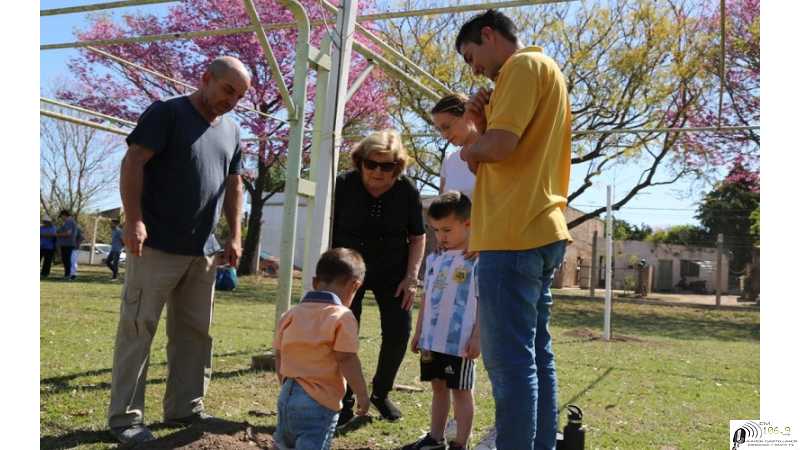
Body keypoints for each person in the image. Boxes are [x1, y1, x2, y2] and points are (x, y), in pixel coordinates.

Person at [107, 56, 249, 445]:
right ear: (206, 79)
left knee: (195, 333)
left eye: (240, 95)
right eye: (228, 90)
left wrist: (234, 234)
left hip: (203, 252)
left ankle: (186, 407)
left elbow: (234, 185)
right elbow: (133, 161)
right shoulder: (166, 113)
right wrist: (133, 219)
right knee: (138, 329)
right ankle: (125, 418)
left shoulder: (233, 131)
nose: (233, 100)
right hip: (155, 245)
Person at [455, 10, 573, 450]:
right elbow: (513, 144)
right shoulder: (543, 70)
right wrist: (483, 125)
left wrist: (471, 146)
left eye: (471, 56)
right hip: (540, 227)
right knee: (536, 357)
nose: (474, 69)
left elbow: (500, 148)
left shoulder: (523, 66)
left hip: (513, 233)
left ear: (488, 35)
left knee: (509, 364)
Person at [332, 129, 427, 424]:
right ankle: (345, 398)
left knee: (399, 331)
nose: (377, 172)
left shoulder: (406, 190)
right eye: (371, 164)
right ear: (360, 161)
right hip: (348, 273)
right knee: (344, 333)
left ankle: (381, 393)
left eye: (387, 166)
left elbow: (417, 237)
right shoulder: (343, 185)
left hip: (393, 272)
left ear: (397, 167)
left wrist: (411, 277)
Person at [274, 248, 371, 450]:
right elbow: (346, 359)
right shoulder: (342, 317)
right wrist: (361, 394)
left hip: (286, 397)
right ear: (355, 286)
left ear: (315, 282)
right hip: (318, 403)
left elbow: (279, 354)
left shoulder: (291, 314)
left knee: (283, 444)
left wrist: (285, 383)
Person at [404, 192, 479, 450]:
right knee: (437, 388)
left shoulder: (477, 259)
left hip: (459, 343)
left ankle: (461, 443)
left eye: (447, 229)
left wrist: (477, 336)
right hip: (431, 339)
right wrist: (418, 332)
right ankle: (435, 438)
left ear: (468, 224)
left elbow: (484, 302)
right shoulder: (434, 259)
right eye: (435, 230)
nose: (441, 236)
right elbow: (427, 298)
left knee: (461, 391)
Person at [431, 94, 478, 199]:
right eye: (439, 130)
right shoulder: (448, 160)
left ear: (467, 115)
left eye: (446, 127)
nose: (444, 135)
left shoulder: (493, 151)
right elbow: (442, 207)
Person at [55, 210, 78, 280]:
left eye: (61, 216)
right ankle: (67, 275)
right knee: (65, 260)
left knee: (67, 260)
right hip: (66, 244)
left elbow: (68, 233)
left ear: (64, 215)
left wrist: (56, 235)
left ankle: (68, 275)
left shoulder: (69, 221)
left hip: (68, 244)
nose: (61, 218)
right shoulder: (67, 222)